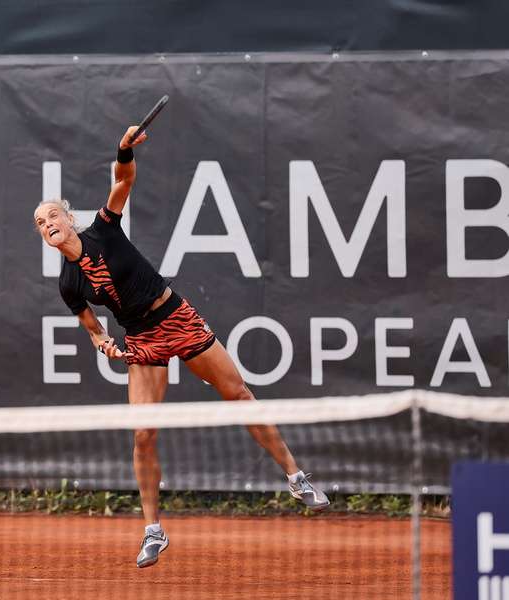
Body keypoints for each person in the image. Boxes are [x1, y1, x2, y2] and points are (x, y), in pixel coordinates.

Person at [33, 126, 329, 569]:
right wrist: (104, 344)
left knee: (240, 396)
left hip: (176, 318)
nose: (47, 225)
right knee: (143, 434)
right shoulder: (68, 283)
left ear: (68, 219)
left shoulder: (103, 229)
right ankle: (153, 530)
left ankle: (295, 475)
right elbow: (92, 327)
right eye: (39, 223)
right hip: (142, 340)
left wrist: (123, 150)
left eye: (51, 215)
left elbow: (123, 181)